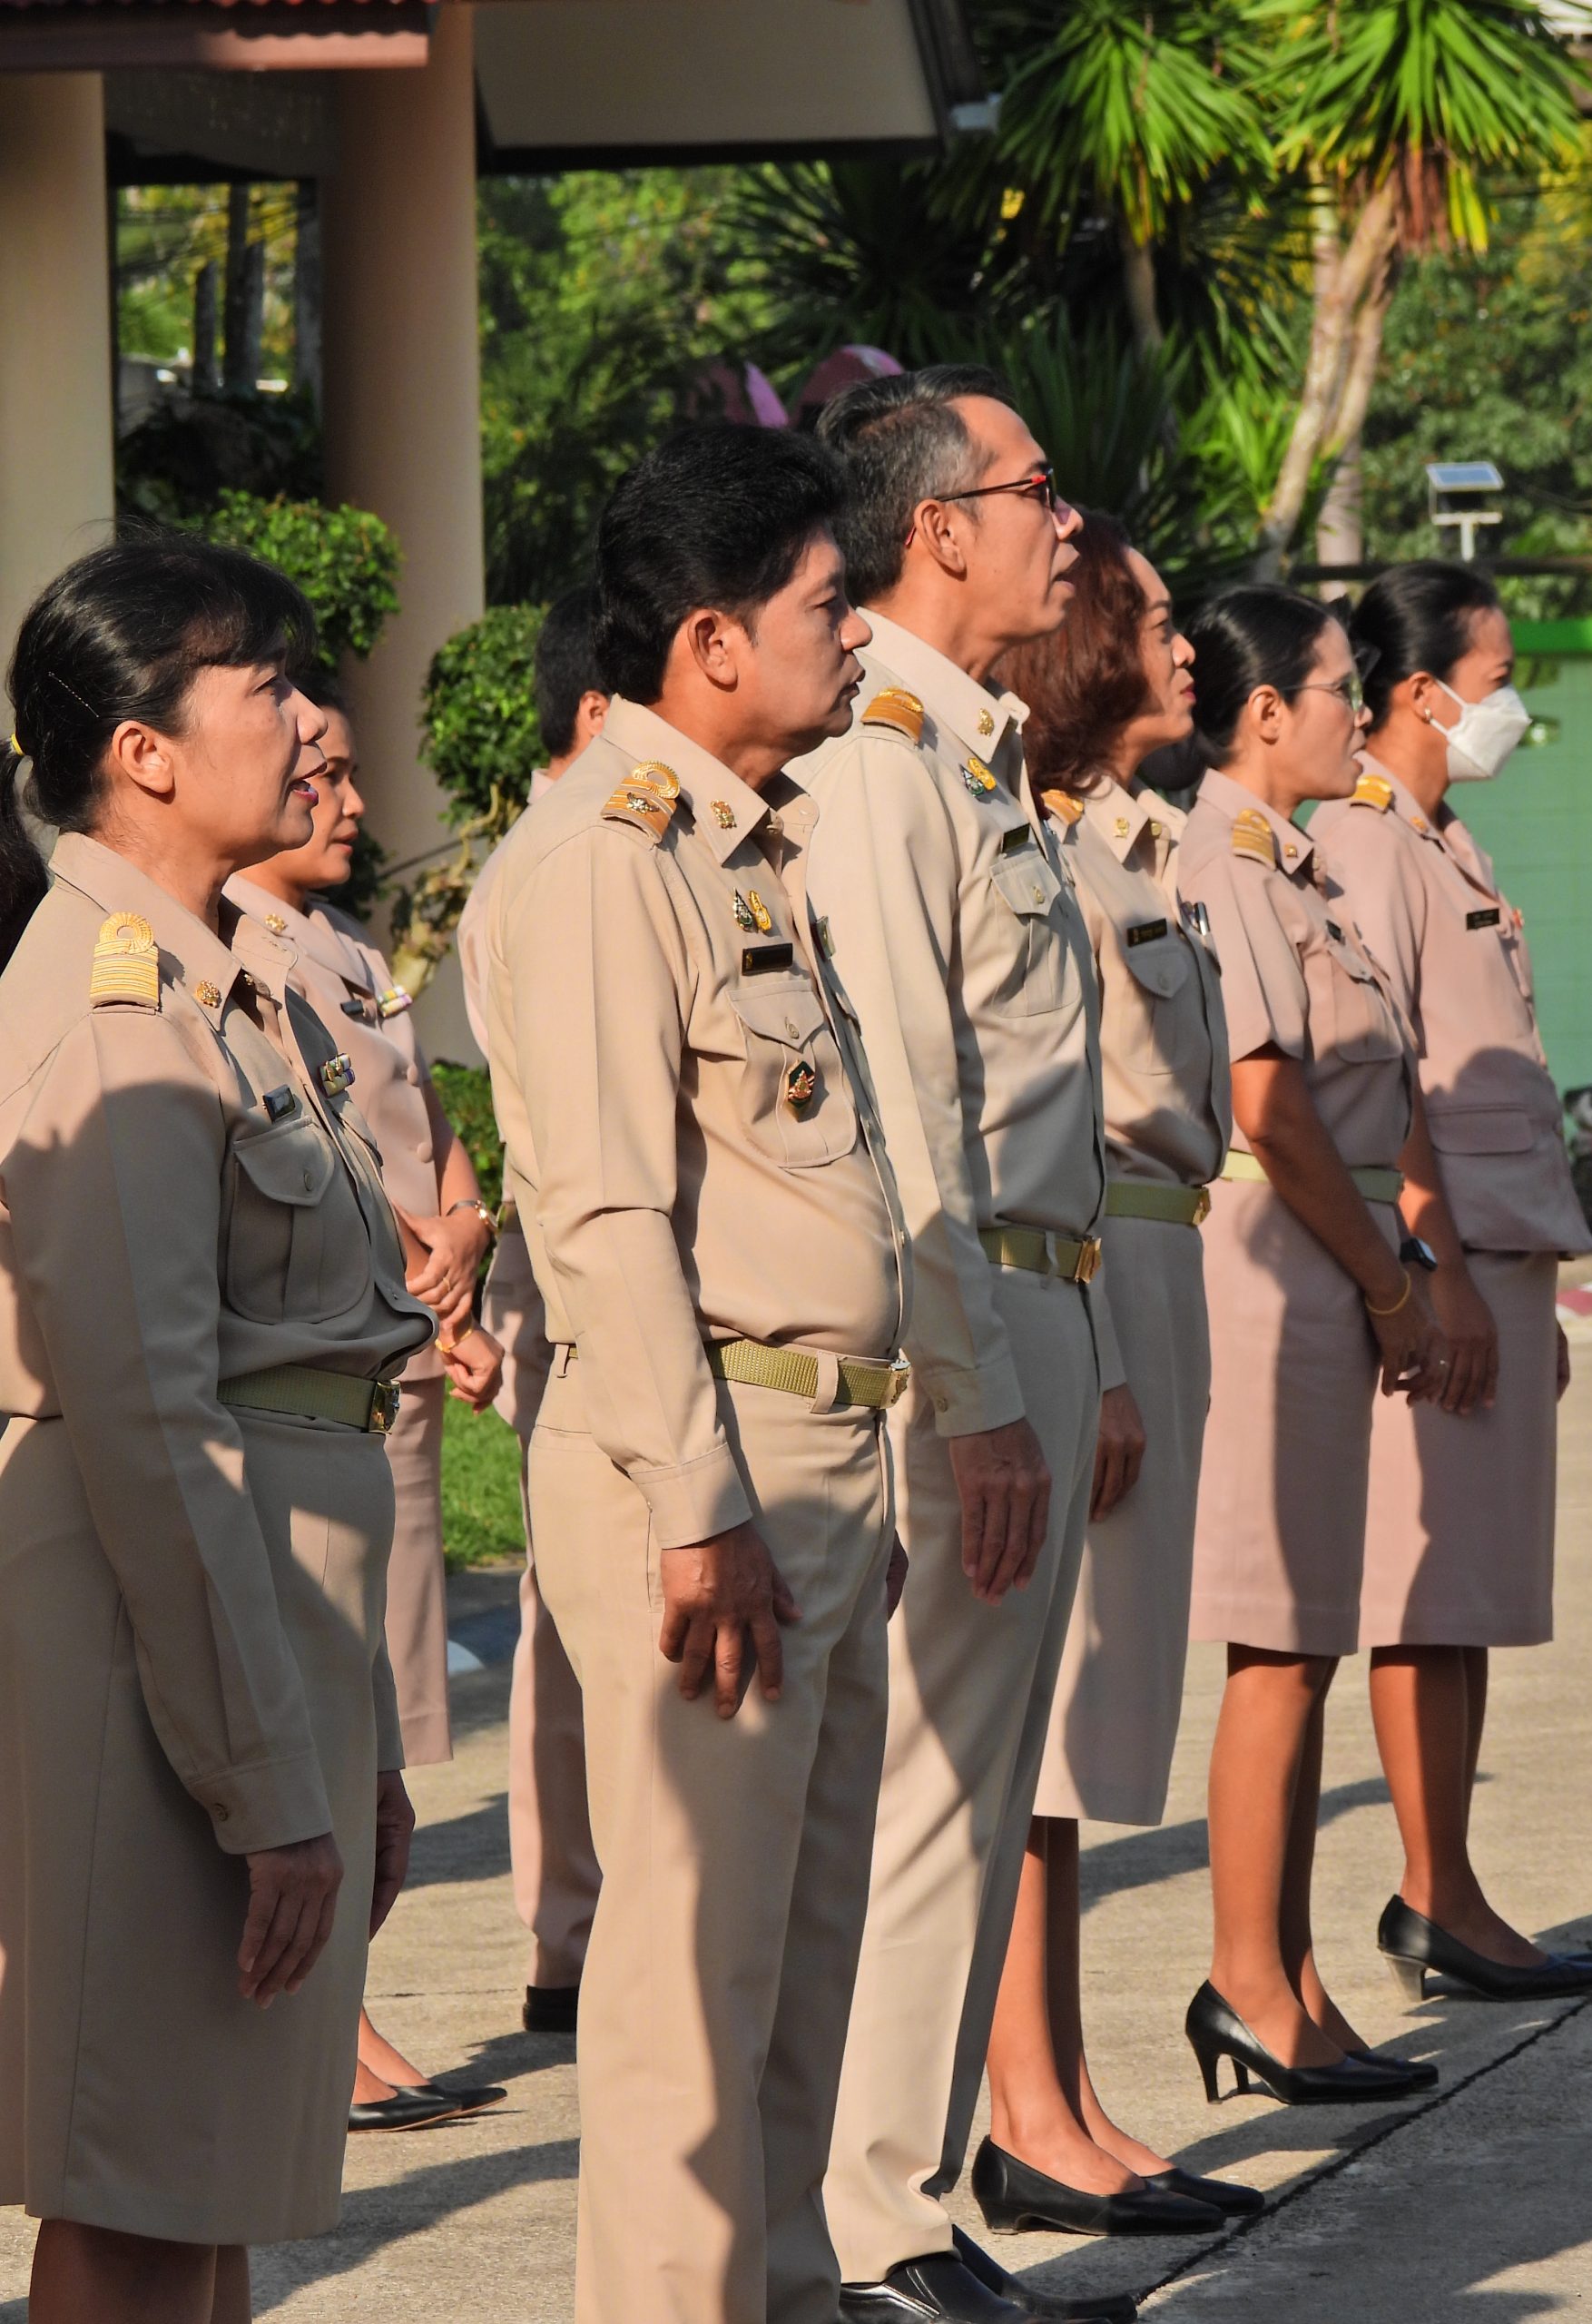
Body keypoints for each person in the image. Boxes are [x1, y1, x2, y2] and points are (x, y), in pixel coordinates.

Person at [483, 422, 911, 2324]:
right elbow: (600, 1214)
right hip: (710, 1462)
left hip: (817, 1456)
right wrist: (701, 1503)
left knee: (796, 1981)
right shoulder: (603, 862)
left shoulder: (749, 846)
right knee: (686, 2003)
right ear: (714, 640)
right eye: (828, 603)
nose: (858, 634)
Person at [0, 537, 431, 2323]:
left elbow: (316, 1391)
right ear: (144, 751)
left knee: (215, 2180)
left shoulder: (224, 983)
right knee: (140, 2188)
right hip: (160, 1661)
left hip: (257, 1636)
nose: (312, 716)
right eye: (267, 681)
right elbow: (156, 1424)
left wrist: (354, 1743)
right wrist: (266, 1777)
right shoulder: (117, 1006)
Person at [801, 368, 1136, 2324]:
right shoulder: (881, 760)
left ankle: (912, 2200)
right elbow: (909, 1109)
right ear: (938, 527)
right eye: (1036, 490)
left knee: (983, 1782)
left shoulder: (976, 757)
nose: (1065, 525)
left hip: (1040, 1288)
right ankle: (875, 2222)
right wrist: (979, 1389)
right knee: (933, 1791)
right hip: (968, 1311)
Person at [978, 517, 1256, 2233]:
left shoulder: (1118, 836)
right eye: (1150, 620)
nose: (1182, 646)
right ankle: (1026, 2108)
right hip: (1087, 1264)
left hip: (1150, 1253)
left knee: (1092, 1720)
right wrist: (1098, 1351)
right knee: (1049, 1720)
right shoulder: (1031, 835)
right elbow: (1042, 1115)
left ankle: (1066, 2086)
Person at [1313, 560, 1592, 2002]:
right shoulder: (1367, 840)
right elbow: (1379, 1083)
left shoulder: (1444, 838)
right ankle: (1435, 1893)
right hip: (1448, 1263)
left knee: (1474, 1589)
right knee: (1424, 1592)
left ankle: (1457, 1887)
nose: (1511, 711)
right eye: (1497, 683)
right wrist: (1433, 1273)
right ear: (1424, 691)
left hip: (1499, 1256)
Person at [1171, 584, 1447, 2110]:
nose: (1362, 709)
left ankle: (1293, 1978)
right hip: (1275, 1276)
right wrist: (1391, 1286)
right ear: (1266, 711)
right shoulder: (1222, 859)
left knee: (1309, 1642)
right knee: (1276, 1645)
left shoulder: (1296, 860)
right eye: (1343, 687)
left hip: (1323, 1271)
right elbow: (1270, 1109)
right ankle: (1246, 1981)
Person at [227, 679, 510, 2131]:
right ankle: (323, 2020)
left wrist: (465, 1236)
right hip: (330, 1350)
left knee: (378, 1707)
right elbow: (314, 1152)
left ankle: (347, 2003)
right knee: (330, 1703)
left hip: (397, 1350)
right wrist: (422, 1263)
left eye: (344, 772)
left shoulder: (346, 941)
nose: (345, 799)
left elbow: (427, 1124)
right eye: (317, 774)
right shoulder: (236, 945)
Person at [457, 586, 609, 2035]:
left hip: (571, 1269)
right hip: (578, 1275)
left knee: (578, 1613)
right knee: (575, 1612)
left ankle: (576, 1920)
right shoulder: (562, 857)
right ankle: (573, 1925)